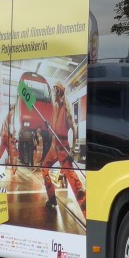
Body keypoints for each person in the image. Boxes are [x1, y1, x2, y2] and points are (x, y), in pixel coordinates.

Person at [39, 82, 85, 212]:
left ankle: (87, 210)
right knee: (44, 169)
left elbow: (74, 129)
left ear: (59, 92)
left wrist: (73, 150)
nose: (53, 94)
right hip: (54, 147)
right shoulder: (55, 108)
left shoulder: (66, 109)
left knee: (73, 179)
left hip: (63, 150)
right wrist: (48, 126)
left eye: (55, 92)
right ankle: (52, 199)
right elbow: (52, 131)